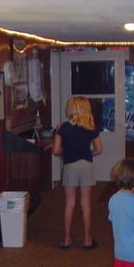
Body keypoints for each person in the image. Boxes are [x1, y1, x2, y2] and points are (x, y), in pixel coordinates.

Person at [52, 96, 102, 249]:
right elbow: (99, 150)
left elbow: (55, 150)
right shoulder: (90, 127)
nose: (66, 109)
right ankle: (87, 239)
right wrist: (87, 155)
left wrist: (67, 153)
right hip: (86, 165)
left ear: (75, 109)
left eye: (68, 107)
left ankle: (67, 239)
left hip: (70, 166)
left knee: (70, 203)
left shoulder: (63, 127)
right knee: (86, 203)